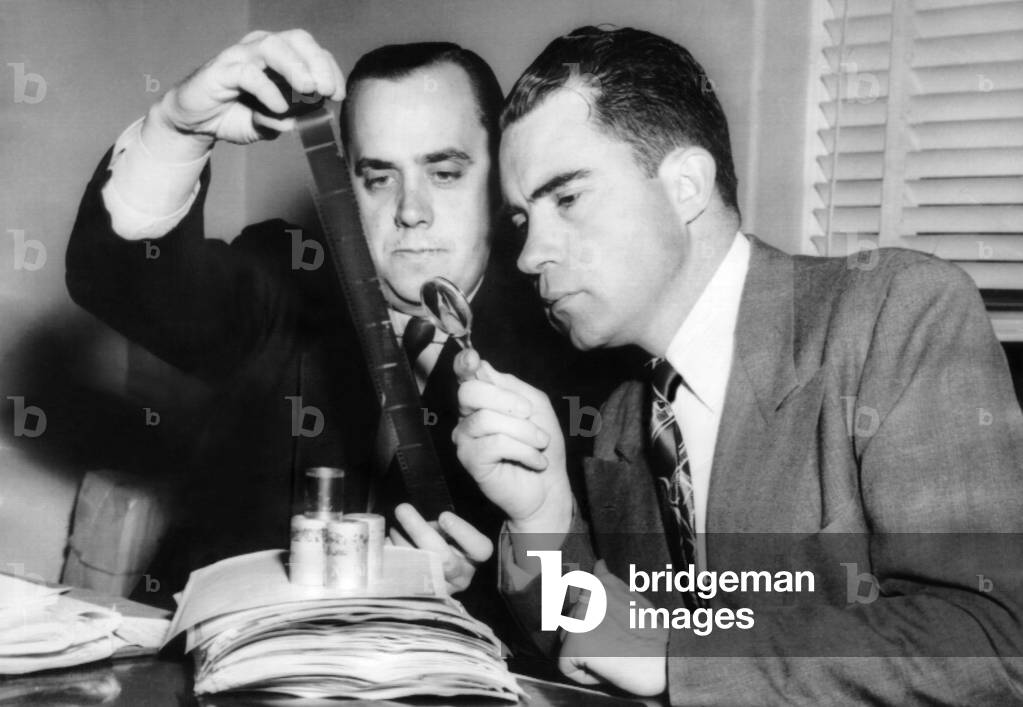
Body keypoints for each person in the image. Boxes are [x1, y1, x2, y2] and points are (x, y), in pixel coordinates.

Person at [451, 26, 1023, 704]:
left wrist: (679, 654)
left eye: (567, 198)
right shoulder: (624, 417)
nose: (528, 255)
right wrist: (543, 513)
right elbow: (596, 648)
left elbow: (992, 641)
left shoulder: (896, 313)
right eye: (522, 220)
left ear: (686, 185)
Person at [64, 30, 630, 643]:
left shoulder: (582, 357)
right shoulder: (284, 280)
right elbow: (118, 277)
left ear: (500, 182)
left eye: (444, 173)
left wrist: (486, 595)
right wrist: (177, 128)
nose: (410, 210)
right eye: (379, 178)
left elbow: (614, 634)